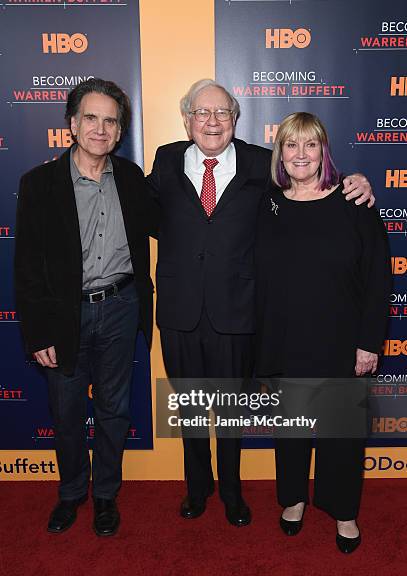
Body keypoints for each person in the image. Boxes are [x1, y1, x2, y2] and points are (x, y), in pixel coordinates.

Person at [148, 79, 374, 527]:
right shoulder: (165, 159)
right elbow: (145, 212)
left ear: (235, 118)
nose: (211, 122)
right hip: (179, 310)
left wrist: (357, 179)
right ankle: (198, 488)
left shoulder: (259, 163)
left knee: (232, 410)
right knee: (191, 407)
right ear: (187, 118)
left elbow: (312, 181)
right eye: (201, 113)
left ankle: (232, 493)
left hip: (237, 311)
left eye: (221, 113)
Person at [15, 78, 158, 537]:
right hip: (64, 316)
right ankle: (72, 492)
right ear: (73, 125)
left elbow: (185, 208)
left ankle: (105, 497)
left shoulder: (133, 179)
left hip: (121, 307)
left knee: (115, 409)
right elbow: (27, 267)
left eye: (110, 120)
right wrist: (37, 333)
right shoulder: (38, 184)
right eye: (91, 118)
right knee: (67, 412)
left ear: (120, 131)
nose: (101, 128)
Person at [255, 112, 391, 552]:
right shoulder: (266, 205)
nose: (300, 154)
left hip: (340, 340)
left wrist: (369, 342)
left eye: (310, 145)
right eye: (290, 145)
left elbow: (378, 279)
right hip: (285, 339)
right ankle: (293, 500)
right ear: (280, 153)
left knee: (342, 434)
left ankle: (344, 512)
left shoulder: (354, 203)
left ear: (323, 152)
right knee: (290, 429)